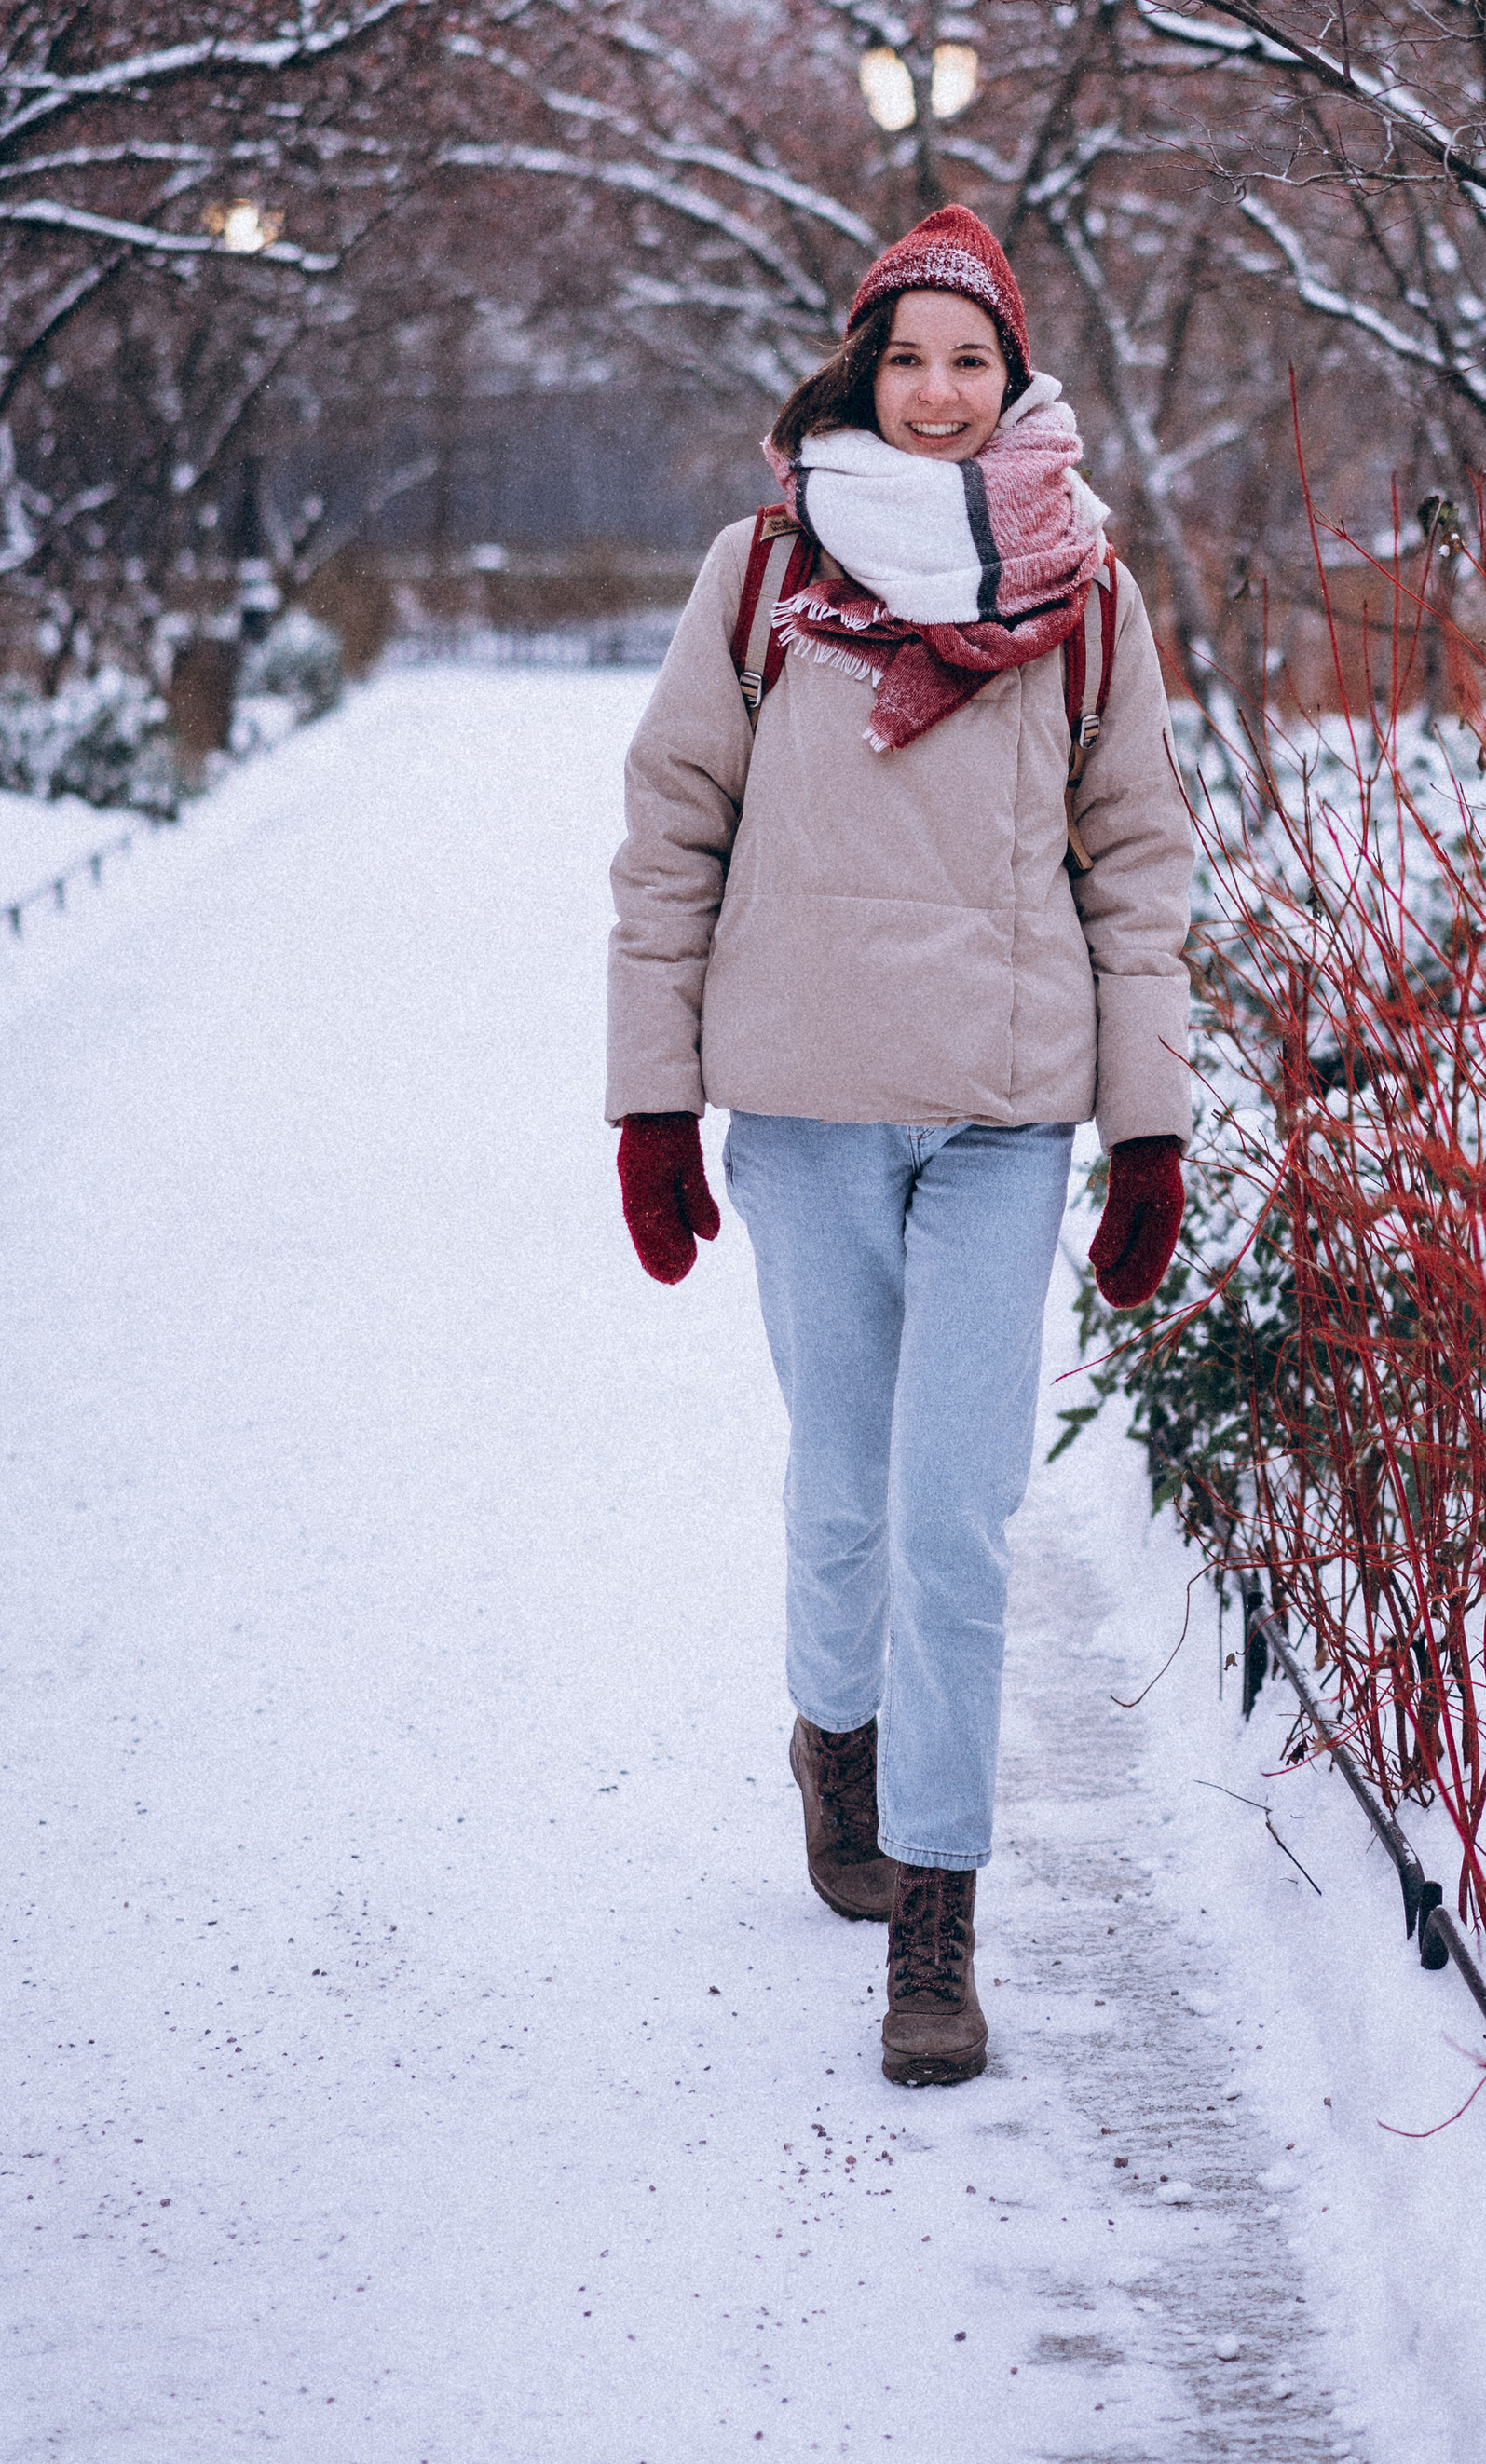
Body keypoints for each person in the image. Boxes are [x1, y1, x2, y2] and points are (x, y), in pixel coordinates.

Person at [605, 207, 1193, 2088]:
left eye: (970, 361)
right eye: (907, 357)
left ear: (1011, 379)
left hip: (1006, 1108)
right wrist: (650, 1100)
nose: (937, 393)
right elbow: (669, 831)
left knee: (956, 1518)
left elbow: (1140, 868)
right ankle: (832, 1741)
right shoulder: (762, 570)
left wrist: (1146, 1132)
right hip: (806, 1096)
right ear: (861, 369)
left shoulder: (1084, 591)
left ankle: (934, 1925)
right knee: (843, 1490)